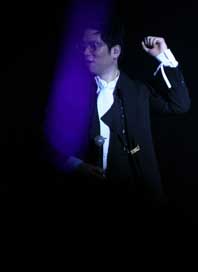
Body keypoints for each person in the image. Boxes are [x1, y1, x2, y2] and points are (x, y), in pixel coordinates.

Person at [50, 16, 190, 207]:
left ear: (115, 51)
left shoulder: (139, 91)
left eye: (93, 46)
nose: (86, 52)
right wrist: (76, 165)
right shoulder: (73, 94)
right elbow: (49, 144)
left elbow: (179, 104)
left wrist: (164, 57)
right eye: (82, 46)